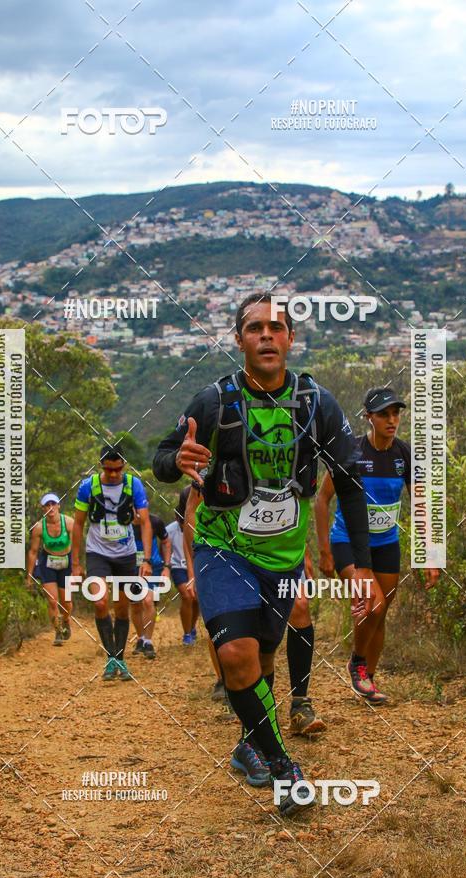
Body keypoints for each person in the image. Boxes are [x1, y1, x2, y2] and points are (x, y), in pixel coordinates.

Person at [153, 291, 375, 816]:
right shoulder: (214, 401)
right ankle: (284, 769)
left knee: (264, 655)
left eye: (276, 328)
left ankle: (248, 743)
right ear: (240, 340)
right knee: (236, 653)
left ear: (291, 339)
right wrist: (177, 459)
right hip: (221, 547)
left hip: (283, 557)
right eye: (255, 328)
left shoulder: (317, 404)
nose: (267, 335)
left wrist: (360, 565)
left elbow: (348, 483)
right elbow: (162, 457)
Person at [315, 387, 439, 704]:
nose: (392, 420)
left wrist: (429, 555)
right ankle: (357, 663)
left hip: (386, 544)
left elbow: (420, 504)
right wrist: (325, 550)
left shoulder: (404, 454)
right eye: (384, 414)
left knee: (380, 615)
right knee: (373, 604)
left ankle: (367, 680)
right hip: (348, 543)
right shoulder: (351, 453)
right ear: (368, 417)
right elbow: (322, 499)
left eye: (396, 413)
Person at [183, 481, 326, 734]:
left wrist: (304, 551)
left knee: (300, 606)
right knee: (238, 631)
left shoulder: (288, 457)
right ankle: (247, 705)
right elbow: (193, 510)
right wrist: (198, 566)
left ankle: (300, 704)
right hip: (231, 555)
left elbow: (293, 502)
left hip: (279, 555)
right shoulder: (214, 459)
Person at [71, 442, 153, 682]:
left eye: (118, 469)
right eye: (109, 469)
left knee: (121, 607)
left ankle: (119, 658)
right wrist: (75, 563)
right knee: (99, 601)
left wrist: (147, 559)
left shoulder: (134, 485)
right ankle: (111, 657)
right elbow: (78, 524)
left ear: (124, 465)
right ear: (101, 466)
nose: (115, 474)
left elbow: (145, 523)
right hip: (97, 552)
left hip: (125, 554)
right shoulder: (88, 487)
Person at [26, 493, 74, 646]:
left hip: (66, 562)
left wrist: (77, 568)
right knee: (52, 601)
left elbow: (76, 547)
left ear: (58, 505)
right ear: (43, 509)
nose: (50, 508)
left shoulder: (69, 523)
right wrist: (29, 576)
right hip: (48, 563)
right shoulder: (39, 528)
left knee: (66, 602)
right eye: (47, 505)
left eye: (53, 504)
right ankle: (58, 632)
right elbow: (33, 552)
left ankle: (66, 620)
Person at [131, 510, 171, 660]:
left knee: (148, 601)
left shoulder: (155, 522)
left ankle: (148, 642)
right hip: (131, 568)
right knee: (135, 605)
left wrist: (167, 567)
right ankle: (140, 638)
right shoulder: (123, 523)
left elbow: (166, 542)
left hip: (152, 568)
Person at [169, 487, 199, 646]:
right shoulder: (170, 530)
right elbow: (165, 547)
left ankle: (192, 627)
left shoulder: (201, 526)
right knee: (187, 596)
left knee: (197, 599)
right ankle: (187, 634)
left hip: (197, 564)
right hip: (178, 566)